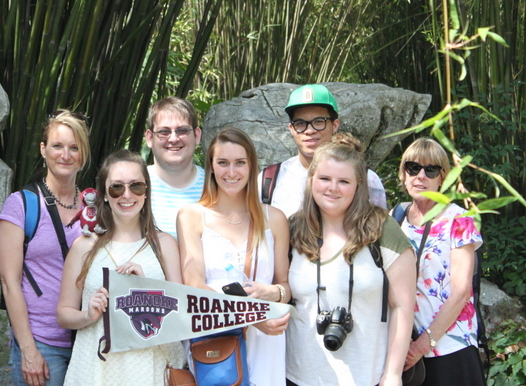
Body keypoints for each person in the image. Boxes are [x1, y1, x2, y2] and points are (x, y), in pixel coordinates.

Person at [286, 134, 415, 386]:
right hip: (299, 376)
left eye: (343, 181)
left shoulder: (382, 229)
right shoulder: (293, 229)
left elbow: (403, 306)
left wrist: (393, 374)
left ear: (358, 185)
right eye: (324, 179)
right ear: (311, 181)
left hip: (366, 376)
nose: (332, 188)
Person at [57, 149, 185, 385]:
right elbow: (64, 314)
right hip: (97, 367)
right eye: (117, 187)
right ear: (104, 194)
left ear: (146, 191)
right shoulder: (84, 246)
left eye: (136, 186)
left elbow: (182, 315)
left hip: (152, 366)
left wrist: (145, 289)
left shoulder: (164, 244)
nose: (127, 195)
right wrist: (88, 315)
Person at [177, 127, 292, 386]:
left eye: (240, 163)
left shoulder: (275, 218)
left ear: (251, 166)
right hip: (217, 338)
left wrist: (274, 293)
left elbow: (284, 285)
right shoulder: (192, 216)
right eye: (223, 163)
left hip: (266, 341)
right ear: (211, 166)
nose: (231, 172)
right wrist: (249, 318)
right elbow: (194, 287)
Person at [0, 110, 91, 386]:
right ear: (43, 149)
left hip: (87, 339)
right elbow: (9, 281)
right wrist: (28, 350)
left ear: (83, 155)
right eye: (57, 146)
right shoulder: (21, 205)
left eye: (74, 148)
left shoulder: (93, 207)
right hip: (42, 342)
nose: (66, 155)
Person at [397, 138, 485, 385]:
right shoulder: (396, 218)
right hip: (406, 347)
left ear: (442, 178)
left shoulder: (459, 219)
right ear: (403, 174)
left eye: (430, 170)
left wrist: (423, 345)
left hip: (449, 346)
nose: (420, 176)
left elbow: (461, 291)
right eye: (413, 168)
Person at [260, 84, 388, 217]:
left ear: (335, 125)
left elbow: (379, 229)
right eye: (300, 124)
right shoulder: (268, 180)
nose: (309, 130)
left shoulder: (366, 179)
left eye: (319, 122)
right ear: (291, 129)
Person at [145, 97, 205, 238]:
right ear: (149, 138)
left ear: (197, 136)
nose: (173, 139)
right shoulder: (133, 187)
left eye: (182, 130)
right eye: (164, 132)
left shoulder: (215, 186)